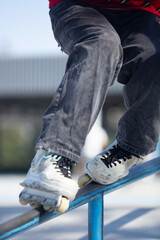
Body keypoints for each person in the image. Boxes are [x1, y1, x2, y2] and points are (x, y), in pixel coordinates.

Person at [19, 0, 160, 212]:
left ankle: (128, 150)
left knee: (156, 57)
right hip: (80, 6)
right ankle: (54, 155)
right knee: (101, 44)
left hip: (140, 15)